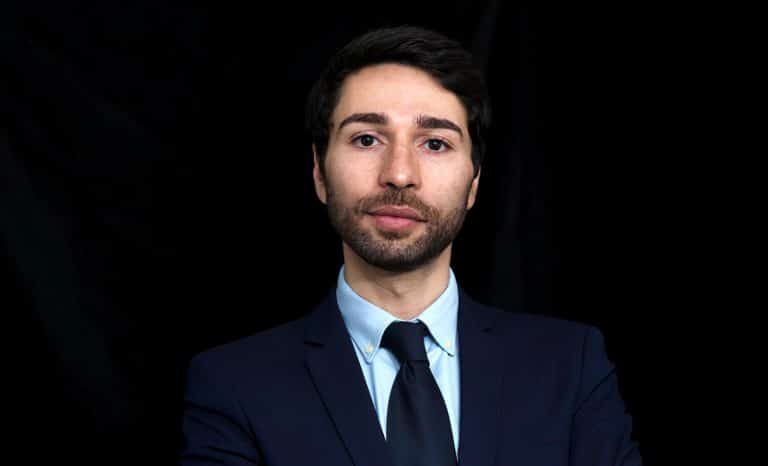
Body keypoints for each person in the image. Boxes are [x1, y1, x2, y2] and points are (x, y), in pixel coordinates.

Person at [179, 25, 641, 466]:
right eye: (366, 139)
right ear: (319, 172)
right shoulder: (234, 385)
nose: (399, 174)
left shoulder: (571, 366)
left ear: (473, 182)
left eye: (435, 144)